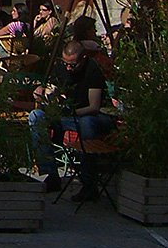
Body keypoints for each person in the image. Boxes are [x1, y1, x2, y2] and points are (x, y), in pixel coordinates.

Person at [28, 40, 114, 197]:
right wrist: (42, 94)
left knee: (87, 123)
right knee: (36, 116)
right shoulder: (60, 67)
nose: (68, 68)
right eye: (65, 63)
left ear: (83, 59)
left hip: (88, 115)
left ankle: (89, 183)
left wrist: (70, 112)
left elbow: (94, 107)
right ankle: (50, 174)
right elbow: (53, 89)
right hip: (65, 114)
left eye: (73, 65)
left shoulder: (92, 70)